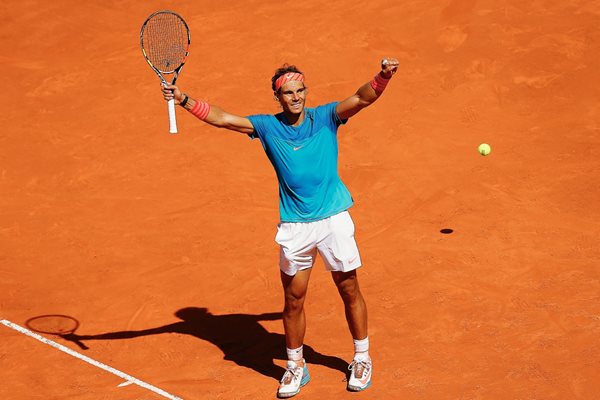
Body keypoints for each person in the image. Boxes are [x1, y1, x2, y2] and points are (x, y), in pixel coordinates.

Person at [161, 57, 398, 398]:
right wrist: (183, 99)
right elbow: (224, 119)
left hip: (333, 220)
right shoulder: (268, 127)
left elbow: (362, 98)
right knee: (293, 300)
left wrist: (382, 77)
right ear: (278, 97)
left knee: (348, 288)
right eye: (288, 93)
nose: (296, 97)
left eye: (300, 90)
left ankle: (361, 358)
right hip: (295, 227)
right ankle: (295, 366)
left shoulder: (327, 117)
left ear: (306, 91)